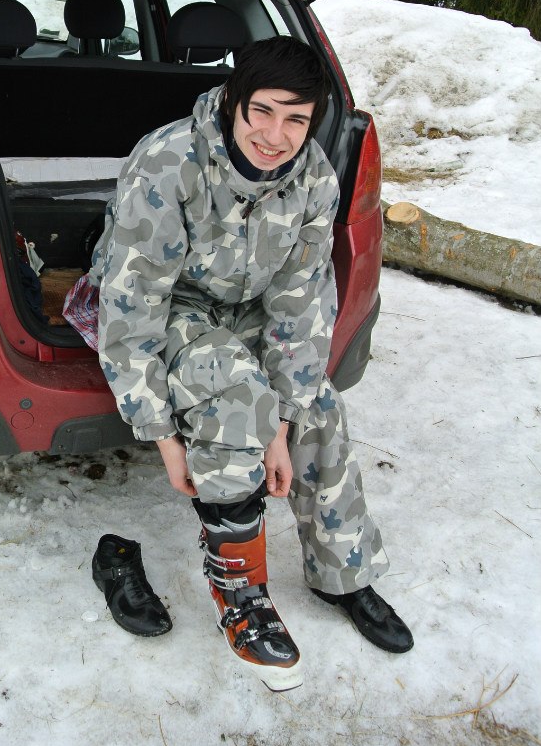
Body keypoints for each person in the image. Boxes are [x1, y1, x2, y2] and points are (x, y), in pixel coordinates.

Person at [68, 36, 413, 691]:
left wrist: (284, 422)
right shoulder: (169, 161)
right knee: (234, 393)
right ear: (233, 101)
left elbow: (301, 304)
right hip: (169, 305)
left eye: (296, 120)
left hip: (247, 304)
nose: (275, 136)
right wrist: (160, 434)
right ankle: (241, 593)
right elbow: (133, 302)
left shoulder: (313, 180)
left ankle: (342, 574)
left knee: (316, 404)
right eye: (262, 111)